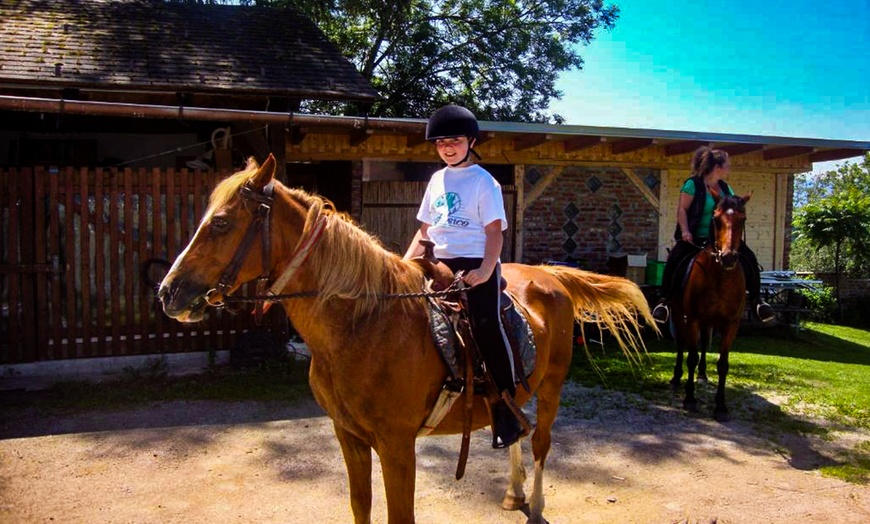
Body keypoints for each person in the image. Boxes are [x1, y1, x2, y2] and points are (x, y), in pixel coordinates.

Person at [403, 104, 527, 449]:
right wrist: (402, 264)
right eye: (441, 142)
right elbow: (425, 230)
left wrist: (486, 271)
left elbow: (494, 233)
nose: (447, 147)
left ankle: (506, 408)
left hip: (474, 260)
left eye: (454, 141)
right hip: (435, 260)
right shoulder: (436, 179)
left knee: (487, 324)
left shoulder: (483, 182)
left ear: (471, 141)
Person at [652, 146, 775, 324]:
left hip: (720, 239)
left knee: (749, 257)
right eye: (727, 165)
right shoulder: (692, 184)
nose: (729, 169)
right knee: (675, 258)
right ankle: (665, 302)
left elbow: (733, 208)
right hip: (693, 237)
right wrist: (685, 231)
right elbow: (682, 210)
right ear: (717, 167)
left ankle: (757, 301)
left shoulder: (726, 189)